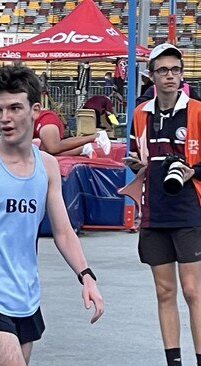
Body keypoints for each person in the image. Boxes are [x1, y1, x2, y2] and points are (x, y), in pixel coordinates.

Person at [0, 64, 104, 366]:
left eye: (15, 108)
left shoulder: (47, 167)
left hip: (27, 297)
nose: (5, 118)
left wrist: (87, 277)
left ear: (35, 109)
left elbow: (64, 232)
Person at [126, 42, 201, 366]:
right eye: (163, 71)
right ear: (152, 76)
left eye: (175, 70)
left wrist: (191, 171)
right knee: (164, 291)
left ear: (181, 74)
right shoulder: (140, 114)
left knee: (193, 291)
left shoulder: (197, 111)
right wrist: (136, 165)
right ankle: (174, 362)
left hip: (189, 210)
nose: (169, 76)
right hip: (154, 211)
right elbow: (135, 155)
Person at [33, 109, 111, 157]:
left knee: (53, 147)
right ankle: (83, 149)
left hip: (45, 119)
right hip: (93, 112)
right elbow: (110, 113)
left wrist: (114, 122)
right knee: (44, 153)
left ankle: (97, 136)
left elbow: (110, 113)